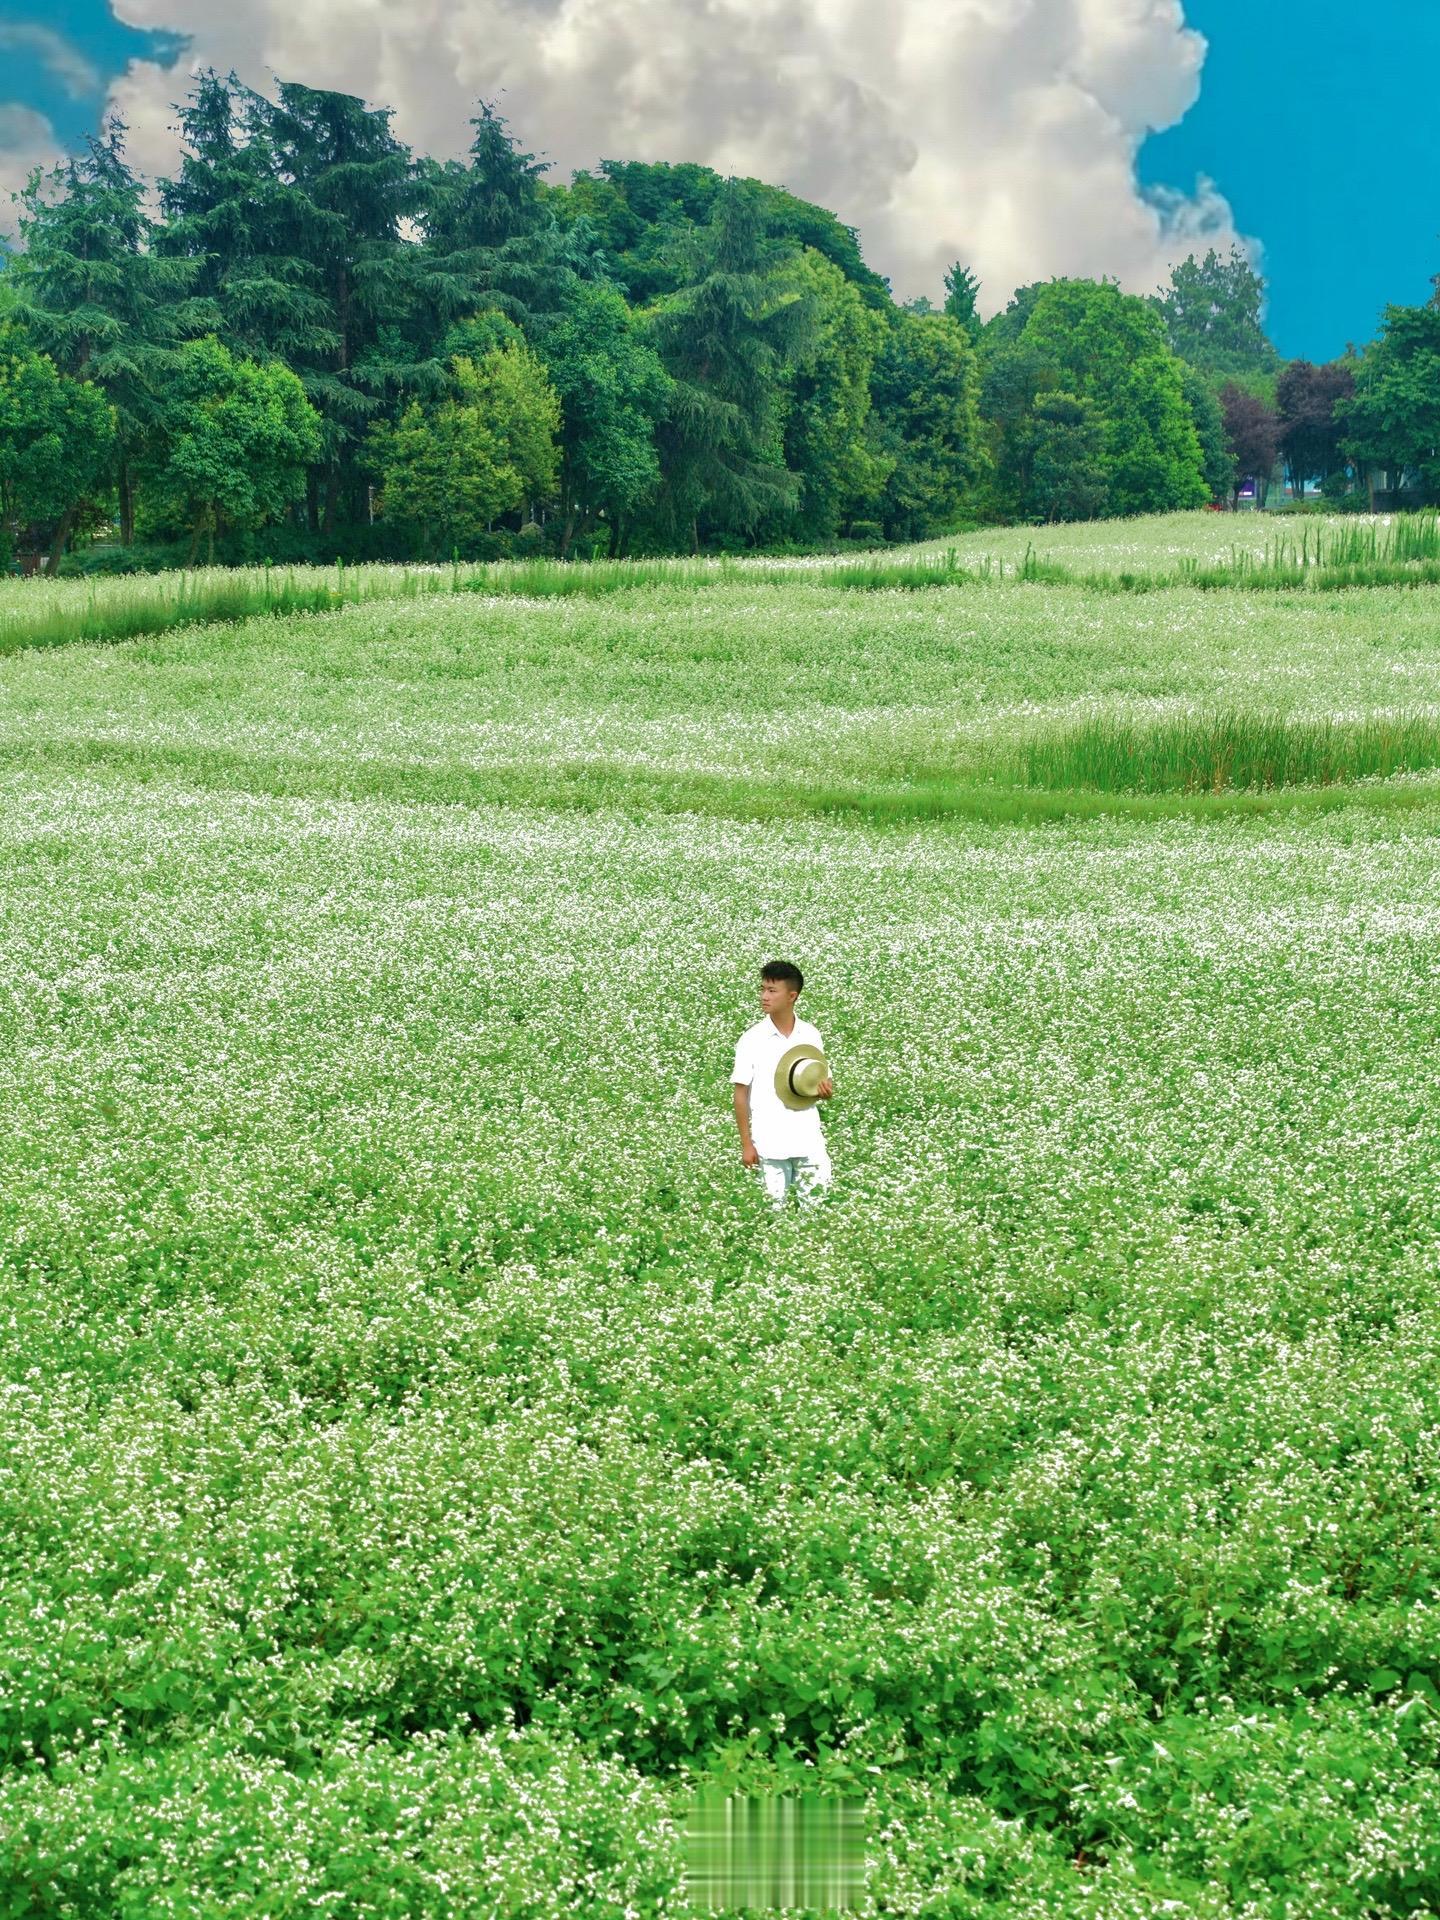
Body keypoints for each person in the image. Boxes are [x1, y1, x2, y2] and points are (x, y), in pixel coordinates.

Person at [731, 960, 834, 1205]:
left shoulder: (810, 1034)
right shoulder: (752, 1039)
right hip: (769, 1143)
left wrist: (825, 1092)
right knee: (771, 1212)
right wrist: (747, 1144)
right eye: (762, 989)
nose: (764, 996)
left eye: (772, 990)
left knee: (816, 1209)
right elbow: (740, 1093)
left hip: (809, 1139)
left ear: (792, 996)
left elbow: (821, 1079)